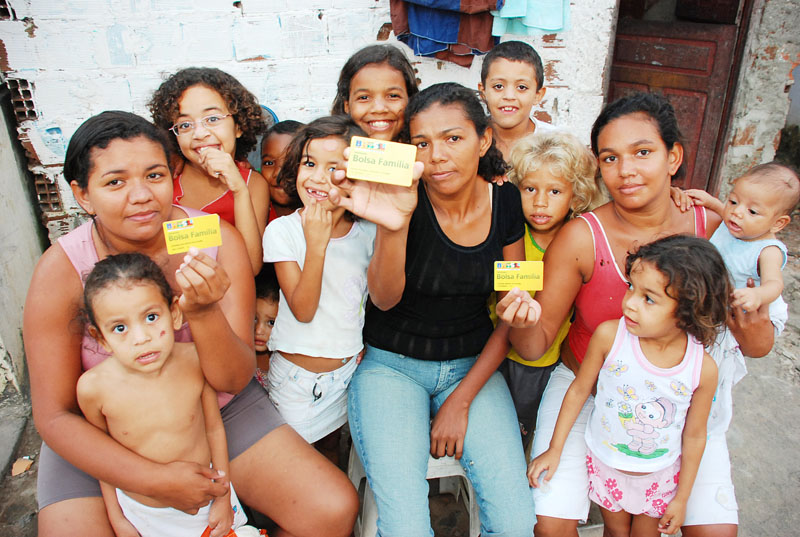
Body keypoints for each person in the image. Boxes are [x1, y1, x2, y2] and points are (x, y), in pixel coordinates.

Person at [23, 111, 358, 537]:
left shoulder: (213, 239)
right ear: (82, 195)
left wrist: (202, 313)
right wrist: (152, 479)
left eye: (155, 175)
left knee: (331, 511)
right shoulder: (62, 270)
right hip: (102, 432)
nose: (141, 195)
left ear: (173, 175)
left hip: (214, 410)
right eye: (115, 182)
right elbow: (55, 416)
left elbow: (234, 379)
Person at [496, 92, 776, 537]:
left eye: (642, 152)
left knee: (713, 532)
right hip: (587, 389)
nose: (625, 170)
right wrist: (520, 321)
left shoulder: (715, 230)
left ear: (673, 157)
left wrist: (751, 311)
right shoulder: (580, 237)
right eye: (610, 158)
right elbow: (535, 345)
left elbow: (758, 345)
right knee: (548, 524)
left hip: (681, 399)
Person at [329, 82, 535, 537]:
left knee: (517, 523)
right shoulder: (401, 198)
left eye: (453, 138)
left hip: (471, 367)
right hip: (391, 367)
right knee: (406, 528)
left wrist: (460, 401)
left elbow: (511, 307)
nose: (437, 156)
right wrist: (395, 225)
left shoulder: (506, 201)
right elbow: (383, 299)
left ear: (484, 139)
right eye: (422, 143)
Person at [528, 235, 726, 536]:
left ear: (689, 310)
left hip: (659, 477)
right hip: (605, 465)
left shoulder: (702, 368)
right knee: (616, 532)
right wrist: (554, 450)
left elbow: (696, 434)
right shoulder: (610, 337)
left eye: (649, 298)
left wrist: (682, 499)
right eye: (631, 287)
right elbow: (579, 390)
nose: (630, 303)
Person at [77, 253, 250, 537]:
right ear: (101, 338)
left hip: (206, 501)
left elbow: (214, 429)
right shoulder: (93, 388)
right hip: (143, 514)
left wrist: (223, 496)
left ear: (175, 313)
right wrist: (118, 518)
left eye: (151, 317)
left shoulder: (196, 359)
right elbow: (101, 458)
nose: (141, 338)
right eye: (120, 328)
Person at [262, 116, 375, 450]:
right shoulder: (283, 231)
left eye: (334, 168)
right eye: (309, 163)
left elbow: (369, 298)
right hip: (297, 382)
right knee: (296, 467)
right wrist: (316, 245)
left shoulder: (368, 232)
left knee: (332, 455)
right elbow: (303, 309)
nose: (317, 178)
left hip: (347, 375)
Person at [498, 130, 605, 450]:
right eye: (529, 189)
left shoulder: (579, 243)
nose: (540, 202)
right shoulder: (508, 236)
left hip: (547, 364)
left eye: (555, 191)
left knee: (529, 436)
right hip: (496, 353)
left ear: (576, 196)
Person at [149, 67, 270, 274]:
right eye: (185, 125)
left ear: (238, 126)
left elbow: (251, 267)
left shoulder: (253, 184)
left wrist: (239, 190)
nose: (199, 133)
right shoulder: (165, 179)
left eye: (213, 119)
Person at [686, 162, 800, 312]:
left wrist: (757, 294)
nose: (737, 212)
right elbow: (723, 211)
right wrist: (710, 202)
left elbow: (774, 284)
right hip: (721, 303)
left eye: (752, 211)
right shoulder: (735, 223)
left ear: (778, 223)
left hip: (750, 312)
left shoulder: (768, 251)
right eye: (733, 202)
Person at [478, 40, 555, 160]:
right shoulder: (471, 139)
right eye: (498, 86)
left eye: (521, 87)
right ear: (483, 91)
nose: (509, 96)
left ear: (538, 95)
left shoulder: (556, 145)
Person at [331, 43, 419, 141]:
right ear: (347, 106)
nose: (379, 109)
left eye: (393, 96)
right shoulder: (327, 149)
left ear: (410, 100)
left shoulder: (427, 149)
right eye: (364, 97)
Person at [261, 120, 305, 223]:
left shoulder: (323, 215)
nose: (278, 173)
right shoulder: (254, 212)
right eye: (269, 163)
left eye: (290, 162)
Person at [254, 264, 280, 389]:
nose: (258, 330)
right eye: (254, 319)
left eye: (271, 323)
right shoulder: (240, 359)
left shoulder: (286, 364)